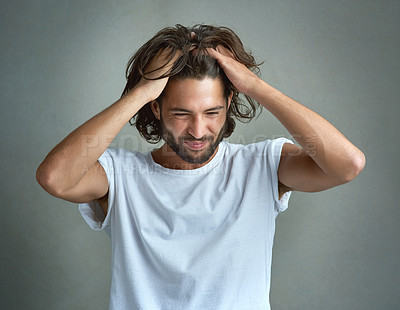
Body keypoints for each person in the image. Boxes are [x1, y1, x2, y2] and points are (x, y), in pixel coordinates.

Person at [36, 24, 365, 310]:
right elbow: (55, 178)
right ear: (156, 107)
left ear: (229, 103)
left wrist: (254, 86)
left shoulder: (261, 166)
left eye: (212, 112)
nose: (197, 130)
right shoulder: (120, 174)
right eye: (181, 113)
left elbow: (347, 165)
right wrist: (141, 91)